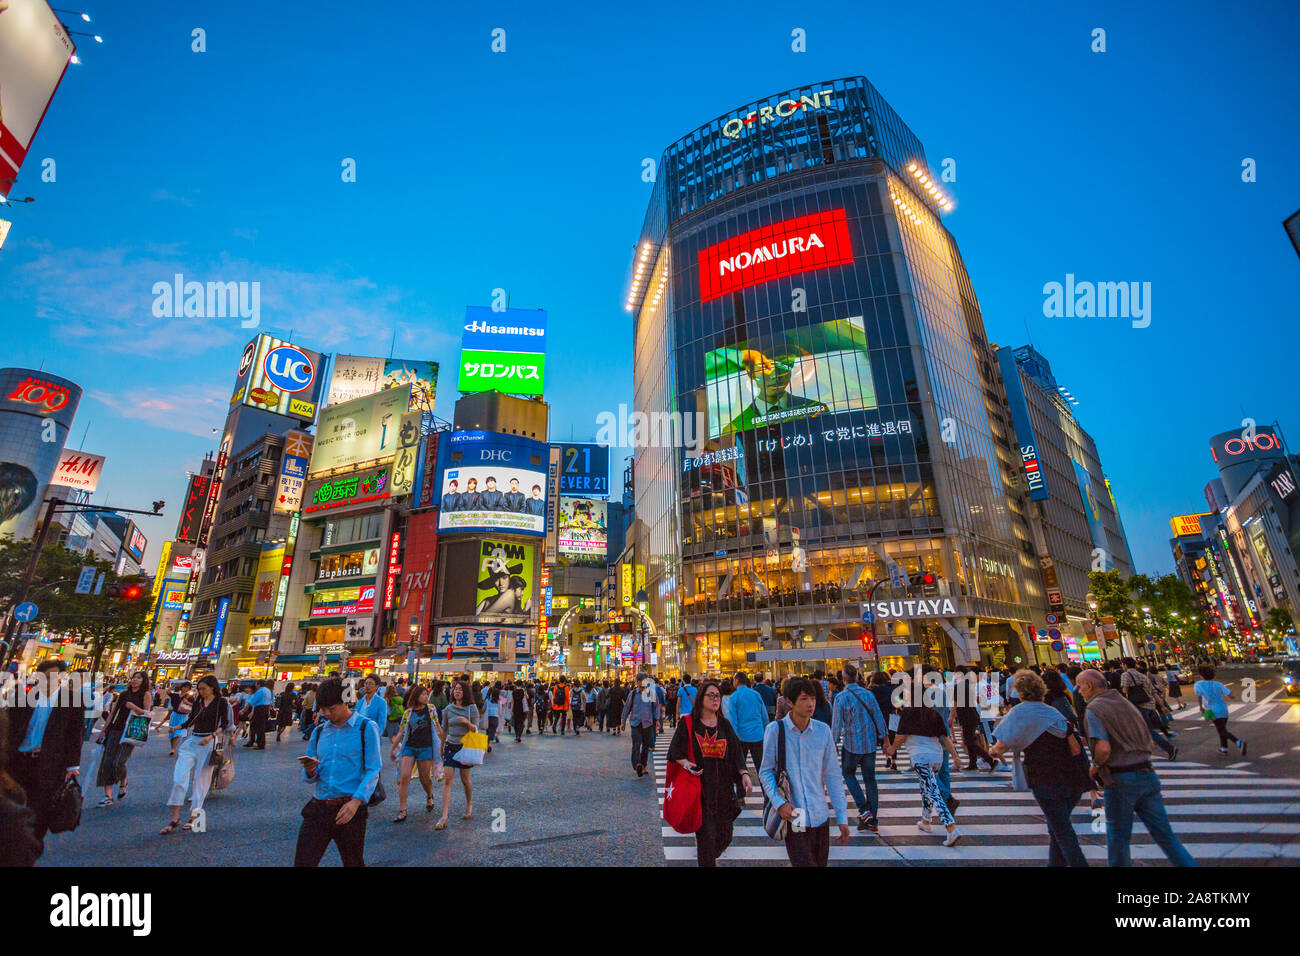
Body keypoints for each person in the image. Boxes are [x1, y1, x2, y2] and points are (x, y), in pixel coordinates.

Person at [1075, 669, 1196, 867]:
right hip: (1147, 773)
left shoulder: (1095, 709)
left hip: (1120, 778)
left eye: (1080, 687)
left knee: (1118, 838)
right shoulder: (1126, 703)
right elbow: (1150, 741)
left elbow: (1103, 748)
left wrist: (1095, 766)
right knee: (1166, 836)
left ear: (1089, 686)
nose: (1079, 692)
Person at [987, 670, 1090, 866]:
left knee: (1062, 831)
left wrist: (992, 751)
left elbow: (1000, 745)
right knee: (1057, 827)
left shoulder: (1019, 713)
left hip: (1045, 778)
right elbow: (1076, 749)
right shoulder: (1052, 712)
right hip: (1071, 778)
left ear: (1019, 691)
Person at [759, 677, 851, 866]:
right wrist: (779, 803)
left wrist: (842, 817)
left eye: (813, 698)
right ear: (789, 702)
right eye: (804, 699)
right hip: (796, 814)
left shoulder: (823, 731)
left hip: (820, 813)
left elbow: (833, 775)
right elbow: (765, 772)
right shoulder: (775, 730)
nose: (810, 704)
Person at [295, 677, 382, 867]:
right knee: (303, 862)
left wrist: (356, 802)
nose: (325, 713)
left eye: (331, 709)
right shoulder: (318, 733)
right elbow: (310, 777)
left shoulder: (365, 728)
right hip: (318, 807)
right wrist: (310, 771)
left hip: (349, 809)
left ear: (344, 702)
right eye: (322, 709)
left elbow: (374, 769)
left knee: (353, 862)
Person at [3, 659, 84, 855]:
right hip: (19, 760)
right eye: (42, 677)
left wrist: (72, 766)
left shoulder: (71, 701)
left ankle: (30, 850)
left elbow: (75, 736)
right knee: (9, 805)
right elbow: (10, 726)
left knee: (38, 811)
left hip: (47, 764)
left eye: (51, 677)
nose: (46, 681)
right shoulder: (25, 697)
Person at [668, 679, 749, 866]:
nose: (715, 699)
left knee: (725, 836)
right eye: (710, 695)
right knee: (706, 840)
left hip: (724, 791)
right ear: (701, 698)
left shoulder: (725, 725)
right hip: (700, 792)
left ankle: (709, 855)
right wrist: (687, 765)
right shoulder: (688, 724)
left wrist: (744, 773)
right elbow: (674, 752)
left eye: (717, 696)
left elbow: (736, 752)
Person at [885, 688, 963, 847]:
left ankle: (951, 827)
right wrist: (955, 756)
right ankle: (926, 821)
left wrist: (892, 750)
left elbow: (901, 736)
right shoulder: (933, 713)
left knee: (932, 790)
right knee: (927, 787)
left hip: (920, 757)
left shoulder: (908, 713)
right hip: (936, 756)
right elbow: (945, 738)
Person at [160, 675, 232, 835]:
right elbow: (191, 720)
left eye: (203, 689)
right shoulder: (198, 701)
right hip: (193, 741)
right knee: (179, 777)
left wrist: (211, 736)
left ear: (212, 687)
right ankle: (175, 817)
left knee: (201, 781)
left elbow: (225, 724)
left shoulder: (221, 703)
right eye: (199, 689)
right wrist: (176, 727)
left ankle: (193, 817)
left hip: (208, 743)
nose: (201, 692)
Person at [829, 664, 888, 833]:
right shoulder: (868, 694)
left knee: (848, 774)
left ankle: (864, 810)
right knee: (870, 779)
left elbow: (837, 723)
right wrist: (885, 739)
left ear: (843, 678)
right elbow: (878, 716)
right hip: (870, 744)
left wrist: (833, 742)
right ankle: (872, 819)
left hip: (852, 744)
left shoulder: (841, 697)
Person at [95, 670, 150, 808]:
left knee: (118, 762)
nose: (134, 680)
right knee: (107, 762)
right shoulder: (124, 694)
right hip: (115, 728)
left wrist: (133, 707)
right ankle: (108, 796)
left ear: (143, 681)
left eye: (138, 678)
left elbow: (147, 713)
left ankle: (123, 781)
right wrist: (103, 730)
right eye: (133, 678)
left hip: (131, 732)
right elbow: (113, 712)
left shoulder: (146, 694)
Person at [390, 685, 441, 822]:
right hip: (409, 747)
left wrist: (444, 743)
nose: (426, 697)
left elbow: (437, 727)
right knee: (404, 776)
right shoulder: (408, 712)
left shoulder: (431, 709)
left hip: (426, 748)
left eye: (426, 694)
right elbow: (401, 731)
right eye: (423, 694)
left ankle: (429, 795)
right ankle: (402, 810)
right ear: (416, 696)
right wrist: (393, 748)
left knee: (424, 778)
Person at [436, 680, 479, 830]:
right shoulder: (448, 709)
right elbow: (444, 729)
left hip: (465, 747)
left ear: (465, 692)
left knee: (465, 779)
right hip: (450, 746)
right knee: (448, 779)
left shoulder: (471, 708)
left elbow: (476, 729)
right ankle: (444, 816)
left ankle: (469, 805)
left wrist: (467, 723)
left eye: (460, 689)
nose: (457, 691)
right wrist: (442, 746)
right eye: (455, 689)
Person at [1119, 658, 1177, 760]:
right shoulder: (1142, 676)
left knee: (1149, 731)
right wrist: (1162, 706)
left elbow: (1124, 690)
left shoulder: (1125, 675)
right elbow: (1153, 692)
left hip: (1139, 706)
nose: (1122, 666)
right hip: (1150, 706)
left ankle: (1169, 749)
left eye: (1122, 664)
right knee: (1148, 729)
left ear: (1125, 665)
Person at [1194, 666, 1246, 755]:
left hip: (1212, 710)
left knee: (1221, 730)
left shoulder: (1198, 684)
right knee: (1222, 729)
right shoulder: (1218, 684)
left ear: (1202, 675)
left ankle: (1238, 742)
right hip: (1223, 709)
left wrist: (1201, 707)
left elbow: (1199, 696)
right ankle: (1224, 748)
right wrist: (1233, 696)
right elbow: (1230, 695)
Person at [727, 672, 769, 773]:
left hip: (741, 737)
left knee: (741, 769)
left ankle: (742, 788)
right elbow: (765, 717)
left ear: (736, 681)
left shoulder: (734, 697)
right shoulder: (756, 694)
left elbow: (733, 721)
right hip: (758, 734)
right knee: (761, 769)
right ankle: (765, 788)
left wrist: (733, 738)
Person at [622, 676, 661, 777]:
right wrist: (623, 721)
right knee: (636, 744)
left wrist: (657, 719)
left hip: (647, 723)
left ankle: (643, 765)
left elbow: (656, 706)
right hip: (635, 723)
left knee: (645, 746)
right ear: (637, 682)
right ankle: (637, 765)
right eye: (640, 681)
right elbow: (627, 707)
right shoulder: (633, 694)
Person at [164, 681, 192, 756]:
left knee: (179, 732)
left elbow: (194, 705)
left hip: (183, 716)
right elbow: (167, 692)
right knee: (172, 733)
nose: (186, 689)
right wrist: (173, 685)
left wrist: (187, 703)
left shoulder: (189, 697)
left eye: (188, 688)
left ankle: (173, 749)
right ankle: (172, 747)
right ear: (182, 687)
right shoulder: (175, 695)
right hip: (175, 715)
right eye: (185, 687)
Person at [244, 679, 273, 750]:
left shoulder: (260, 691)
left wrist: (243, 709)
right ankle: (256, 742)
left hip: (260, 709)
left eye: (256, 684)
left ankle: (259, 744)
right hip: (265, 709)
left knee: (257, 726)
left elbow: (253, 701)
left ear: (259, 684)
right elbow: (270, 701)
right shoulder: (268, 690)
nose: (255, 685)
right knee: (260, 726)